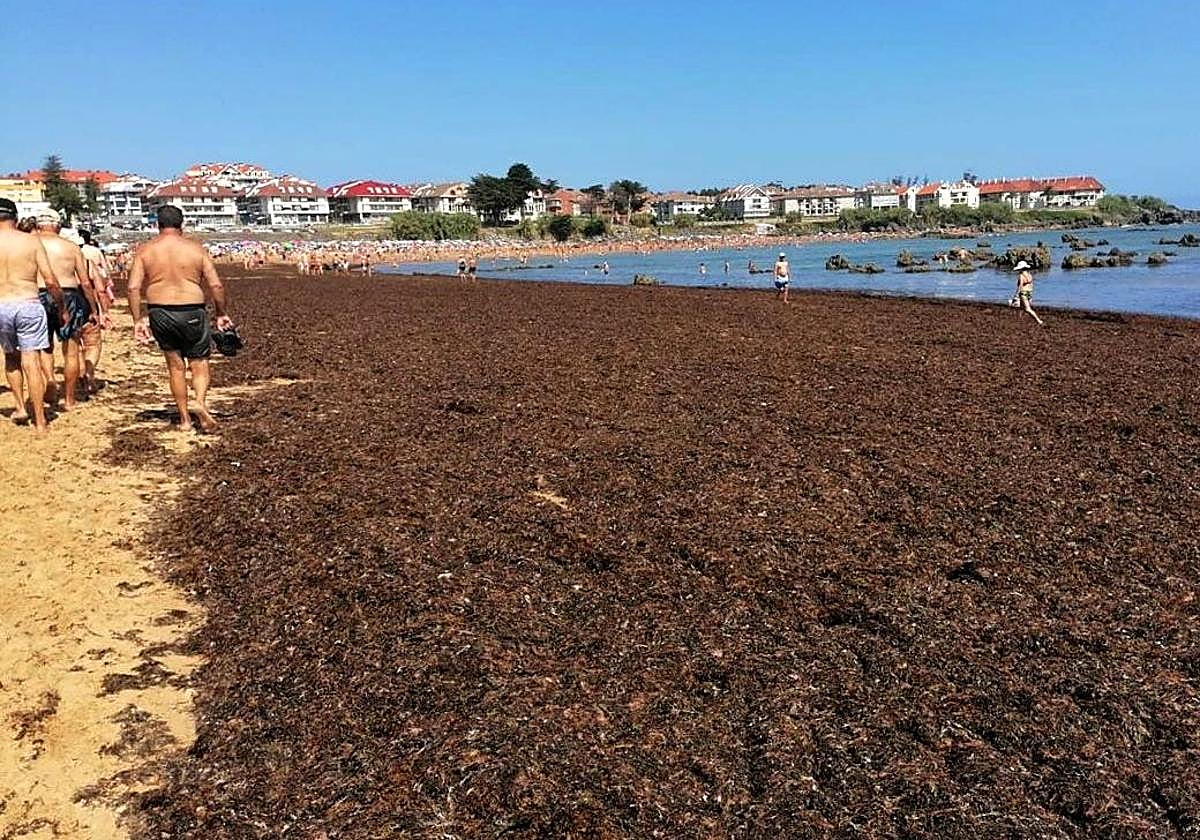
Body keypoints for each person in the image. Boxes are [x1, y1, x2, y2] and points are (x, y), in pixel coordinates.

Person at [127, 205, 234, 433]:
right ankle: (200, 402)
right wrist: (221, 313)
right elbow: (215, 284)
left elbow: (133, 287)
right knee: (199, 362)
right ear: (181, 224)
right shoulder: (195, 249)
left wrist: (137, 320)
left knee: (175, 367)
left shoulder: (146, 250)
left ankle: (184, 420)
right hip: (192, 309)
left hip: (160, 310)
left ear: (157, 224)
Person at [0, 198, 68, 432]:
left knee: (10, 358)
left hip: (1, 305)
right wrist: (62, 307)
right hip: (28, 302)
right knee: (31, 361)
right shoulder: (31, 242)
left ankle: (20, 407)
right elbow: (50, 280)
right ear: (16, 219)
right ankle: (40, 420)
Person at [34, 209, 100, 409]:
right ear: (58, 226)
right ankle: (69, 399)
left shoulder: (31, 244)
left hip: (38, 293)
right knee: (71, 349)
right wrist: (93, 308)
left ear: (38, 226)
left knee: (45, 347)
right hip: (69, 294)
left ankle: (51, 380)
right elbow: (86, 282)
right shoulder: (71, 247)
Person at [79, 229, 114, 394]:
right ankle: (89, 373)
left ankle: (76, 375)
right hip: (86, 304)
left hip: (66, 305)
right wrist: (103, 310)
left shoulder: (56, 260)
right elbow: (99, 288)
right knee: (92, 343)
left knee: (73, 346)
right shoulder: (87, 260)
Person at [1012, 260, 1044, 326]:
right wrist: (1031, 294)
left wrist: (1016, 295)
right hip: (1029, 292)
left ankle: (1038, 320)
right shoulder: (1029, 275)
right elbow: (1031, 285)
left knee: (1027, 309)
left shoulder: (1021, 276)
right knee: (1021, 308)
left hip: (1023, 293)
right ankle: (1019, 320)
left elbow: (1020, 286)